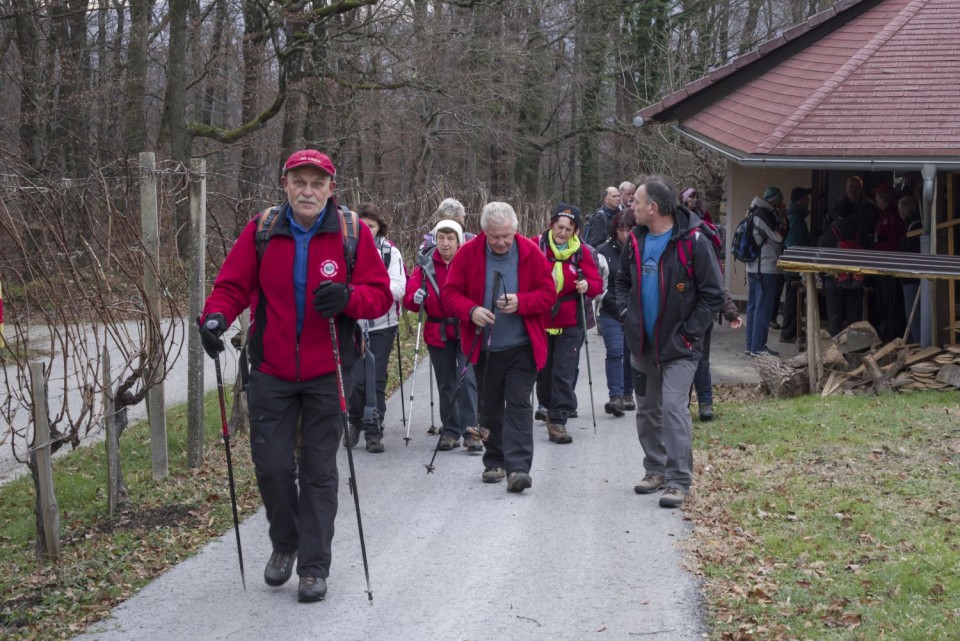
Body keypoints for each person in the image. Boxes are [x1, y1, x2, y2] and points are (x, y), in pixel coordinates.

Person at [198, 149, 392, 603]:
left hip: (329, 371)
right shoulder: (263, 229)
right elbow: (232, 285)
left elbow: (379, 296)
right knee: (271, 467)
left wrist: (347, 297)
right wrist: (215, 319)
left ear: (331, 188)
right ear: (285, 184)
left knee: (320, 471)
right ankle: (285, 542)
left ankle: (313, 567)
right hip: (271, 370)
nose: (308, 190)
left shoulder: (351, 233)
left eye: (317, 183)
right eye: (299, 182)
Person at [616, 175, 723, 508]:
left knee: (674, 410)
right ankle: (655, 470)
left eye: (637, 201)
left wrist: (689, 333)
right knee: (647, 411)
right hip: (643, 346)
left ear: (654, 207)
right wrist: (627, 315)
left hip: (680, 349)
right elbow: (621, 283)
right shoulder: (634, 240)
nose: (631, 205)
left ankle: (678, 480)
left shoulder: (693, 241)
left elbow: (713, 295)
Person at [443, 202, 556, 492]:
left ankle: (518, 468)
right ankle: (494, 460)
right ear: (484, 232)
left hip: (522, 345)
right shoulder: (468, 254)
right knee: (490, 406)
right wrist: (471, 311)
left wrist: (523, 302)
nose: (501, 242)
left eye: (506, 235)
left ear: (515, 230)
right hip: (485, 347)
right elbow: (450, 293)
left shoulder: (530, 252)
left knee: (518, 404)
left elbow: (548, 293)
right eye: (495, 236)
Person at [404, 219, 481, 452]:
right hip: (438, 332)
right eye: (441, 238)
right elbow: (409, 298)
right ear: (435, 239)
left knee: (466, 380)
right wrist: (414, 298)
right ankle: (450, 431)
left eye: (450, 238)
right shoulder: (425, 265)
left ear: (459, 241)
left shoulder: (469, 261)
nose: (445, 243)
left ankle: (472, 431)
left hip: (466, 328)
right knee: (446, 383)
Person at [533, 203, 603, 444]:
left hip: (571, 321)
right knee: (543, 370)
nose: (562, 232)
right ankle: (546, 405)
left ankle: (559, 420)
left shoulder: (582, 252)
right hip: (541, 319)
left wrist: (587, 286)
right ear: (551, 224)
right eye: (559, 226)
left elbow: (597, 284)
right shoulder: (536, 246)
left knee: (563, 371)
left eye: (569, 228)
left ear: (575, 230)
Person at [346, 203, 406, 453]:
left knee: (375, 377)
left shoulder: (390, 253)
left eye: (371, 226)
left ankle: (374, 429)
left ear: (379, 228)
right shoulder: (345, 249)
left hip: (383, 324)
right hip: (351, 323)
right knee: (355, 378)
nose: (366, 230)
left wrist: (369, 291)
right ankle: (355, 419)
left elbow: (399, 287)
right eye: (362, 225)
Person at [596, 208, 636, 417]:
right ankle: (616, 396)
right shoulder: (602, 251)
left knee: (631, 352)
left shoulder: (640, 249)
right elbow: (598, 284)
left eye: (629, 229)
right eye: (621, 229)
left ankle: (628, 392)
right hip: (610, 310)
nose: (625, 234)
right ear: (615, 230)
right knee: (615, 351)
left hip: (634, 311)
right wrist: (606, 299)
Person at [744, 187, 786, 356]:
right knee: (763, 308)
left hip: (752, 266)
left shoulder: (752, 211)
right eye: (780, 200)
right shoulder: (765, 215)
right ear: (774, 200)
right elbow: (779, 237)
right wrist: (782, 218)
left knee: (753, 307)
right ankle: (759, 347)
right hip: (765, 267)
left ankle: (750, 345)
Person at [818, 199, 864, 336]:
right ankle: (853, 347)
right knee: (854, 318)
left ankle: (835, 346)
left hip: (834, 279)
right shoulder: (859, 230)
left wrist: (821, 276)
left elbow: (822, 254)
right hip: (856, 278)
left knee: (834, 317)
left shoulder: (830, 231)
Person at [872, 184, 907, 342]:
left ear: (884, 198)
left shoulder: (893, 215)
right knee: (882, 303)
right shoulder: (883, 215)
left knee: (891, 303)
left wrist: (878, 247)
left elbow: (894, 242)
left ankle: (893, 336)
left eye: (877, 197)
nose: (875, 200)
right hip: (881, 262)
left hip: (889, 264)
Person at [779, 187, 813, 343]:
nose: (809, 201)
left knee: (793, 302)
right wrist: (800, 268)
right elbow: (794, 245)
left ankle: (791, 331)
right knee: (793, 302)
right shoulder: (796, 219)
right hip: (794, 269)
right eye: (807, 198)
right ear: (800, 200)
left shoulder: (794, 216)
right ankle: (788, 333)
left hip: (793, 268)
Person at [898, 195, 922, 343]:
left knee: (913, 312)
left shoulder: (914, 227)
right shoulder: (913, 225)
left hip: (911, 276)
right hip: (910, 276)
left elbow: (910, 251)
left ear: (905, 211)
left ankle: (919, 342)